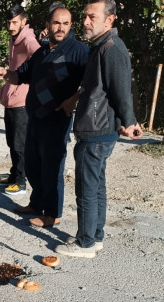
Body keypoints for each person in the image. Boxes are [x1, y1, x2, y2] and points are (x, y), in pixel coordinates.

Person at [55, 0, 142, 258]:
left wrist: (129, 120)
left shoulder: (112, 49)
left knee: (87, 188)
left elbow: (120, 89)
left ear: (110, 19)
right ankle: (95, 235)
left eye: (92, 16)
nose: (85, 21)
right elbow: (95, 86)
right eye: (85, 16)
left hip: (97, 130)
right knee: (97, 185)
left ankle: (85, 243)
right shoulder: (100, 47)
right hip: (97, 128)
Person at [0, 6, 88, 228]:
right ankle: (36, 204)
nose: (61, 28)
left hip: (57, 119)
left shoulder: (79, 51)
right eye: (56, 23)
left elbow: (92, 80)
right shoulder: (42, 52)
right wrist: (5, 73)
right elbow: (21, 75)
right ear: (47, 25)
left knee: (52, 167)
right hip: (34, 115)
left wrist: (74, 99)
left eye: (65, 23)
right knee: (33, 164)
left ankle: (52, 214)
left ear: (71, 25)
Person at [0, 5, 41, 196]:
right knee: (11, 141)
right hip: (10, 99)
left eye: (14, 22)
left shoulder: (29, 39)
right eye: (9, 22)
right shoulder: (14, 39)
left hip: (22, 101)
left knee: (20, 143)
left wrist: (30, 86)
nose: (11, 26)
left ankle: (21, 182)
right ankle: (14, 175)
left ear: (23, 21)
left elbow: (40, 60)